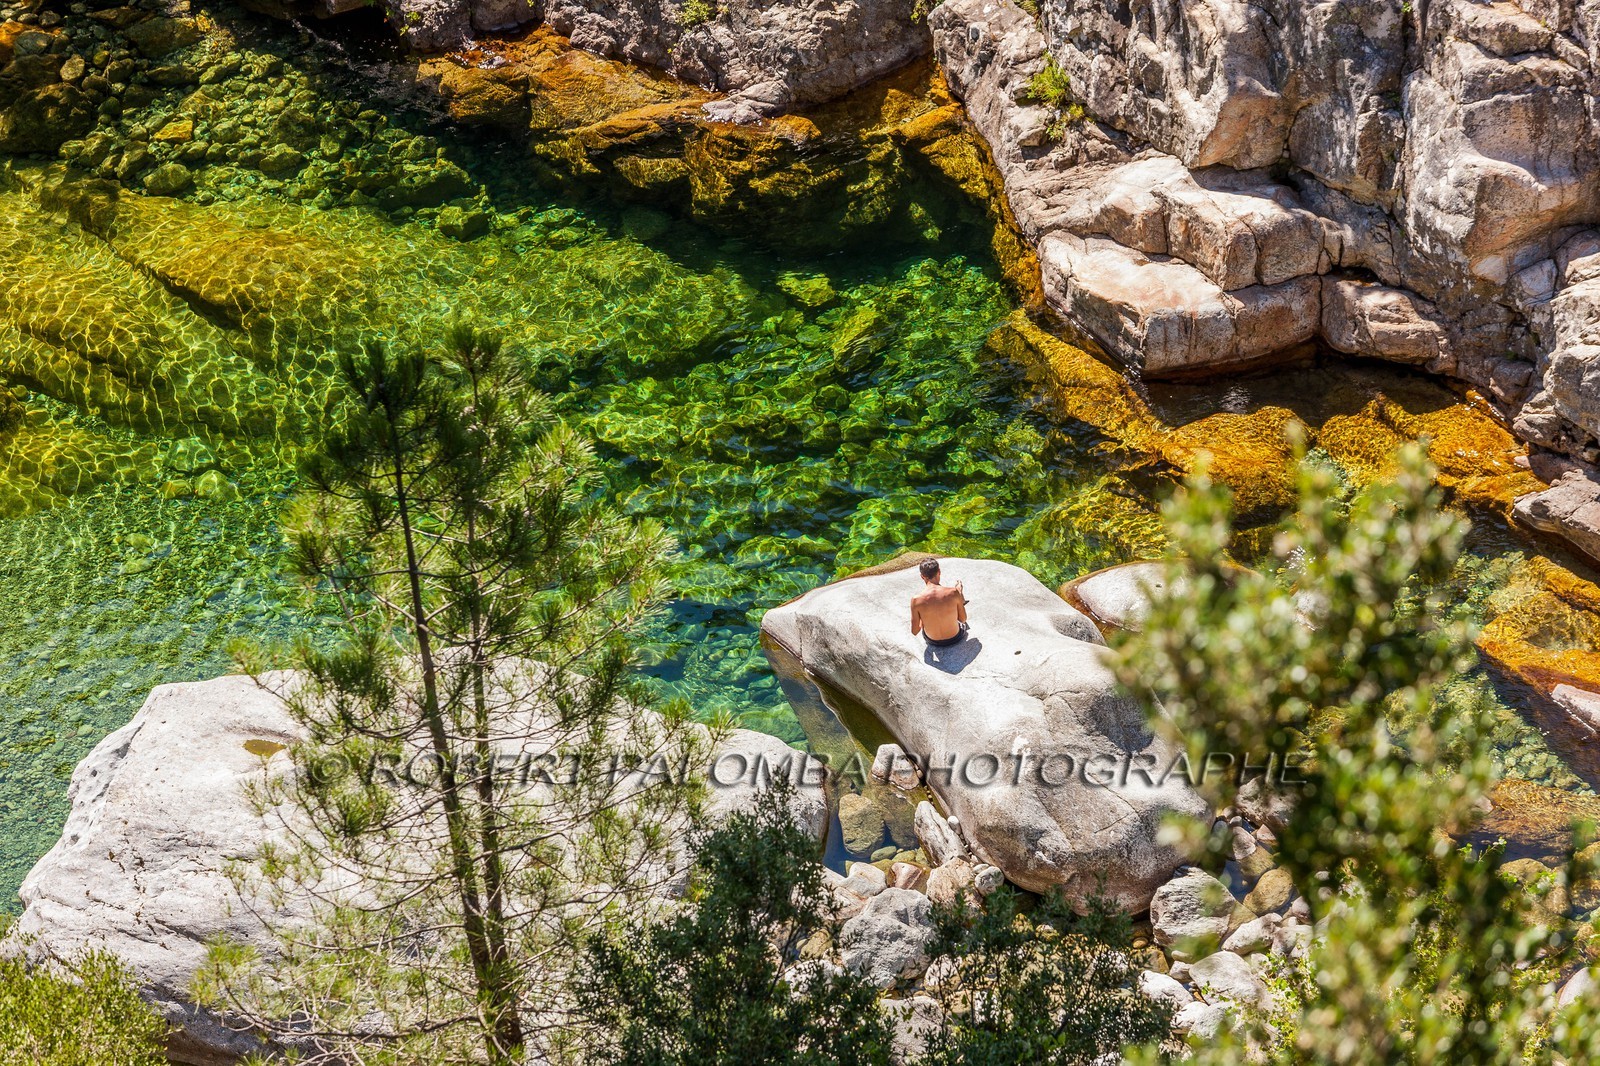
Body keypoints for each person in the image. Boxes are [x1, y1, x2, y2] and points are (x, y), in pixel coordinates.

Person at [910, 557, 967, 646]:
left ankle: (959, 598)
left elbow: (915, 631)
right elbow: (963, 619)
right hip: (955, 638)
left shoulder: (916, 600)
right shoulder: (953, 592)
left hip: (932, 640)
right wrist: (958, 593)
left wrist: (923, 617)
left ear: (922, 576)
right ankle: (960, 597)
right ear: (939, 572)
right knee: (956, 598)